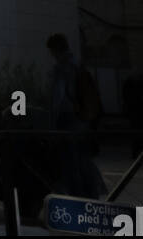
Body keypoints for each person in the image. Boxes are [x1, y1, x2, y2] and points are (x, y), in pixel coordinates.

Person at [45, 33, 105, 198]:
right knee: (82, 159)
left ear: (56, 49)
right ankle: (92, 193)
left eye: (51, 51)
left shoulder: (62, 68)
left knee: (69, 161)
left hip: (68, 119)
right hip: (82, 119)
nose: (51, 55)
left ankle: (77, 197)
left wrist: (51, 125)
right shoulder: (78, 64)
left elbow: (58, 99)